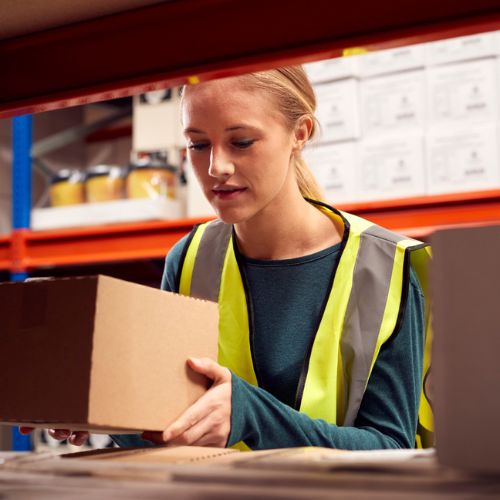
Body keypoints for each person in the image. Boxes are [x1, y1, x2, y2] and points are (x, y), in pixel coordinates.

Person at [21, 66, 433, 450]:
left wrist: (252, 416)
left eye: (241, 142)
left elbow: (391, 449)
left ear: (300, 133)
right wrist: (104, 416)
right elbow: (173, 426)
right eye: (198, 145)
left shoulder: (385, 267)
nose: (216, 166)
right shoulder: (190, 258)